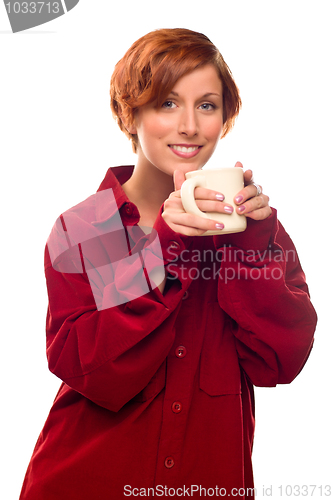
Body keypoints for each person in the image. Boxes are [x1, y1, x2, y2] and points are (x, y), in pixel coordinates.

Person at [19, 28, 317, 499]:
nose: (190, 127)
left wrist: (253, 244)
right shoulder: (86, 228)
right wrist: (168, 247)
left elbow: (280, 361)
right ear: (130, 111)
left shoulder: (250, 234)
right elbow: (90, 370)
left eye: (207, 105)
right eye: (167, 103)